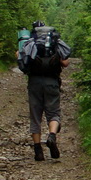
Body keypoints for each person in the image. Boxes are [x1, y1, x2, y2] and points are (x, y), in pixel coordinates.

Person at [17, 21, 71, 161]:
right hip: (52, 82)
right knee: (53, 113)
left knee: (35, 116)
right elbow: (65, 63)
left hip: (34, 82)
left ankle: (38, 151)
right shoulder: (55, 42)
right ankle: (52, 136)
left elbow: (22, 59)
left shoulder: (30, 42)